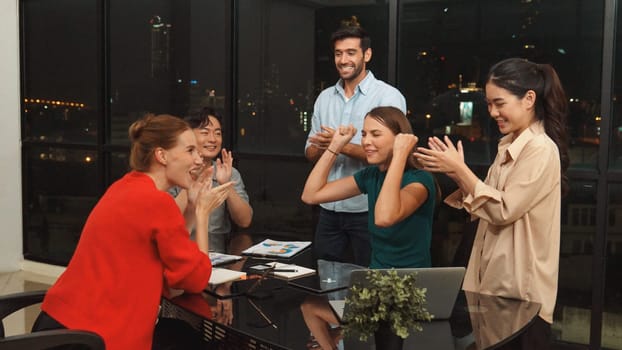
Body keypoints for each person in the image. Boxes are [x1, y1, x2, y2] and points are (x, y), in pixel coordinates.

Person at [32, 114, 234, 350]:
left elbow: (172, 249)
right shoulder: (157, 203)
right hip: (91, 339)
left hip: (59, 328)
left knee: (179, 334)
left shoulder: (127, 186)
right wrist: (202, 213)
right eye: (190, 150)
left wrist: (191, 206)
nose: (198, 160)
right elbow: (195, 280)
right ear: (162, 155)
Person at [414, 57, 570, 349]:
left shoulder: (539, 148)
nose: (492, 112)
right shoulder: (509, 144)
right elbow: (486, 203)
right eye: (488, 104)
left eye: (499, 103)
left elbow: (503, 210)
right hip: (495, 286)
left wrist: (461, 171)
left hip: (521, 295)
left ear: (529, 99)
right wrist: (456, 173)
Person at [300, 106, 437, 350]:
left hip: (409, 297)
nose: (366, 142)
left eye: (375, 134)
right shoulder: (371, 176)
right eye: (363, 134)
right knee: (310, 307)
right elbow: (311, 195)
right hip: (374, 293)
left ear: (399, 140)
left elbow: (385, 216)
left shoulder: (420, 181)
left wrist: (400, 157)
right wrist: (336, 146)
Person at [305, 16, 407, 267]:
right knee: (325, 282)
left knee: (370, 283)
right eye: (338, 53)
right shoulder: (324, 98)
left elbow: (392, 155)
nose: (343, 60)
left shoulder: (388, 96)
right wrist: (323, 146)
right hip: (328, 210)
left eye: (351, 52)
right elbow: (309, 152)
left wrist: (340, 145)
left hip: (368, 209)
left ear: (367, 55)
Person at [171, 107, 253, 325]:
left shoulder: (228, 171)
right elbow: (169, 220)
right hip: (181, 257)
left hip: (218, 258)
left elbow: (245, 220)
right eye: (205, 132)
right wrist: (191, 181)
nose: (213, 138)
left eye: (217, 133)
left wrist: (227, 185)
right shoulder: (175, 170)